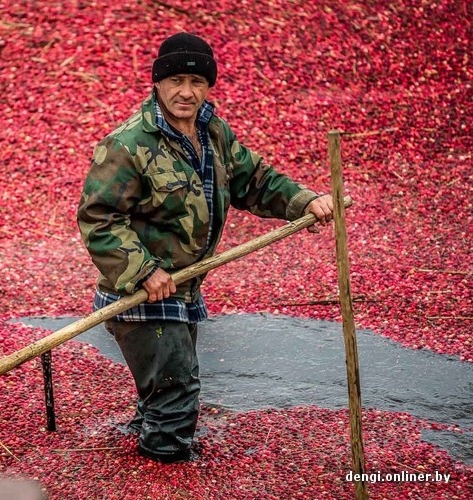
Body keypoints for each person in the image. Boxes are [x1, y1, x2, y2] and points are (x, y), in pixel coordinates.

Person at [76, 32, 334, 463]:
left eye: (197, 82)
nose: (186, 91)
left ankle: (146, 444)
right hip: (140, 295)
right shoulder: (128, 144)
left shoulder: (211, 131)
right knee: (177, 394)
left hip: (183, 289)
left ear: (209, 86)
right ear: (157, 83)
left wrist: (302, 200)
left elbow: (254, 180)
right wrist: (143, 270)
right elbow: (98, 218)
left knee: (165, 390)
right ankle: (165, 470)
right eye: (176, 80)